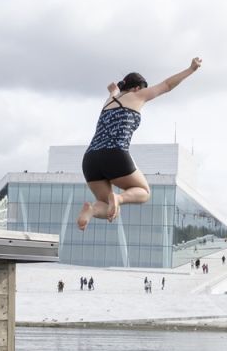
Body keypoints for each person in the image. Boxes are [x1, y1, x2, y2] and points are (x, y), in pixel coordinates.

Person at [76, 58, 203, 230]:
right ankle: (119, 198)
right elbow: (167, 85)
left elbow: (114, 91)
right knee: (143, 192)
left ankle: (91, 210)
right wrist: (190, 69)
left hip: (90, 159)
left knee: (109, 207)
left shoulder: (109, 101)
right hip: (114, 153)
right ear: (137, 88)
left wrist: (114, 90)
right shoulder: (137, 95)